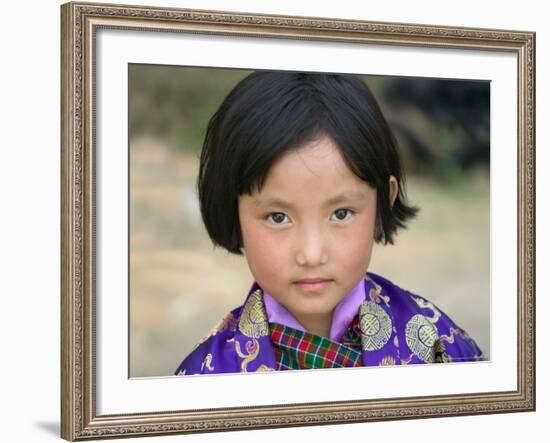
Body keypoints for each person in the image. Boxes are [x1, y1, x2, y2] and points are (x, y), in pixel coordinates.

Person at [174, 71, 484, 375]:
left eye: (341, 214)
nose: (311, 254)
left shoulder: (437, 344)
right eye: (278, 217)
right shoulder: (207, 375)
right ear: (233, 213)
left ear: (382, 205)